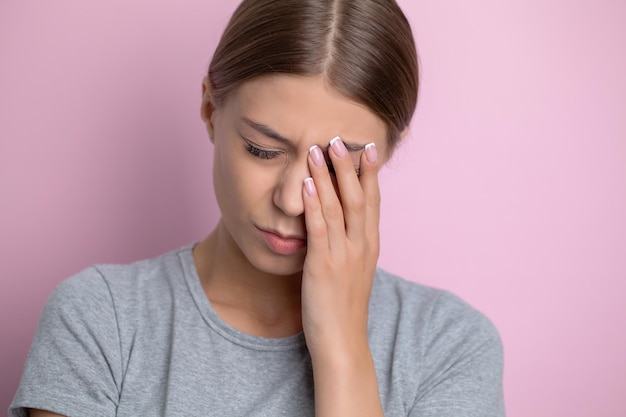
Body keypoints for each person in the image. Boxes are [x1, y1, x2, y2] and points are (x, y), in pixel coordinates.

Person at [10, 0, 505, 416]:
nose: (291, 199)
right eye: (263, 150)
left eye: (334, 166)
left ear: (387, 152)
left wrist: (341, 347)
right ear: (210, 110)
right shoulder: (101, 322)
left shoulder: (450, 347)